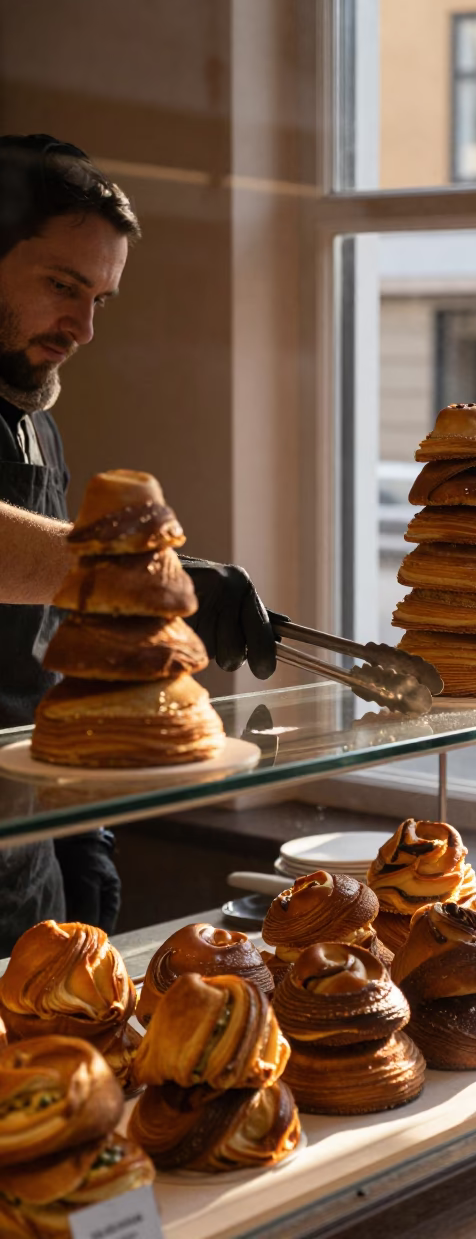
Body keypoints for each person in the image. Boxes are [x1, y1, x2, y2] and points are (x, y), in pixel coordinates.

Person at [0, 134, 277, 951]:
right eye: (62, 286)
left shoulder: (35, 424)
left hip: (28, 858)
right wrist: (149, 578)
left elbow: (45, 644)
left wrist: (86, 827)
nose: (83, 327)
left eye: (100, 301)